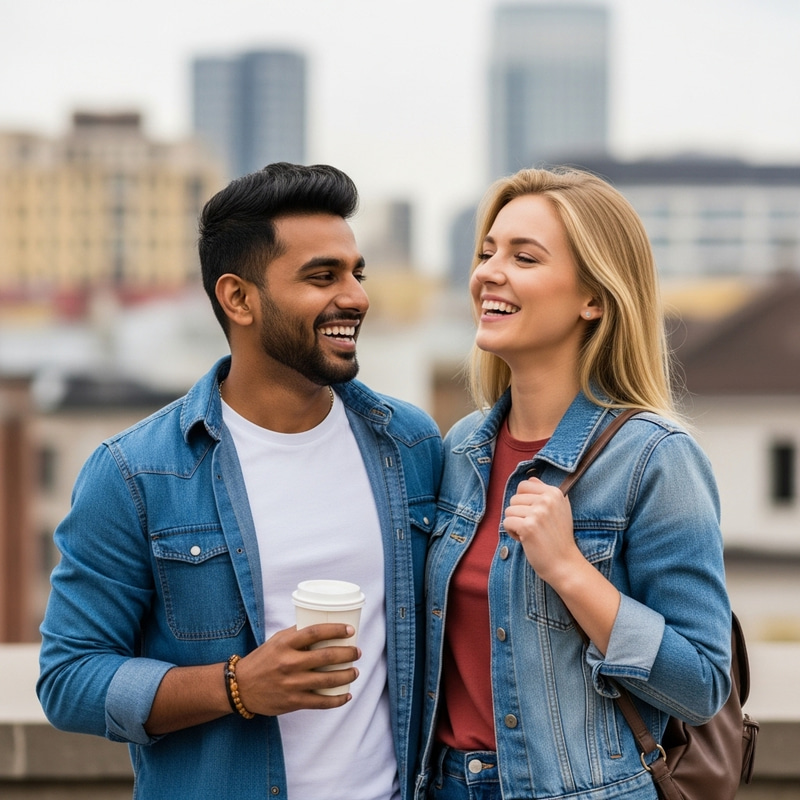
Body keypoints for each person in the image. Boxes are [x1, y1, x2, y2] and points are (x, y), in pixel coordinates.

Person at [37, 162, 443, 800]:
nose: (357, 296)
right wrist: (237, 687)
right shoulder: (135, 473)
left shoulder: (409, 443)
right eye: (322, 275)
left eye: (356, 272)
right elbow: (69, 678)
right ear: (238, 298)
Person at [415, 166, 732, 800]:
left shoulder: (654, 460)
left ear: (594, 298)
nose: (489, 273)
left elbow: (701, 686)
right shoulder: (460, 450)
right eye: (487, 252)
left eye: (524, 257)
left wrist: (569, 569)